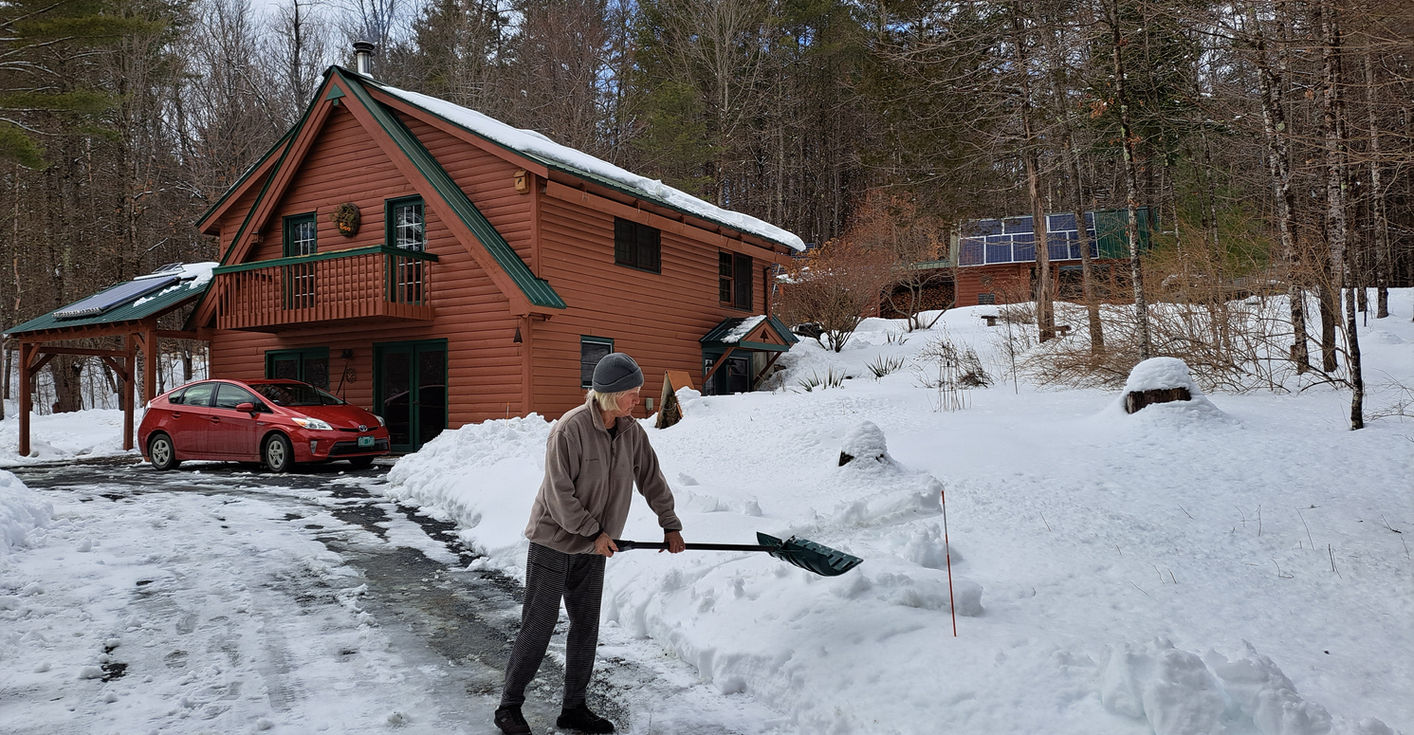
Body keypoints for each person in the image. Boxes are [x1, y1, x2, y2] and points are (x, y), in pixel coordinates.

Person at [494, 352, 686, 735]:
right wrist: (593, 533)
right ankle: (509, 706)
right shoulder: (570, 429)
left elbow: (652, 479)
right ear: (611, 394)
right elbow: (558, 495)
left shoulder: (632, 431)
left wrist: (670, 525)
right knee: (539, 625)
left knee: (586, 627)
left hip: (593, 548)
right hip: (553, 542)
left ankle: (574, 708)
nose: (637, 398)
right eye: (631, 392)